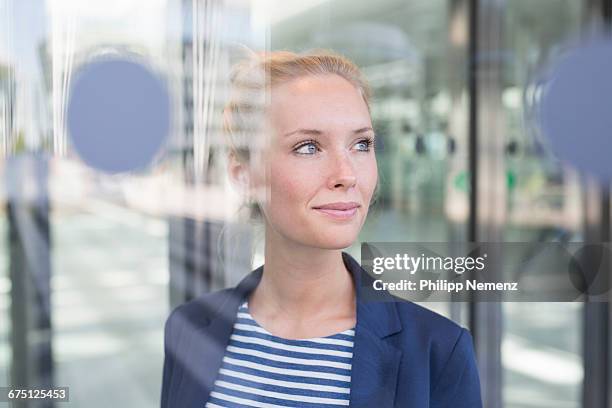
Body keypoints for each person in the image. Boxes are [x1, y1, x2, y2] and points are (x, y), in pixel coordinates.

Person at [160, 50, 483, 408]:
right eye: (308, 147)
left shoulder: (437, 353)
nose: (346, 174)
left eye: (362, 144)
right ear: (244, 175)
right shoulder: (188, 329)